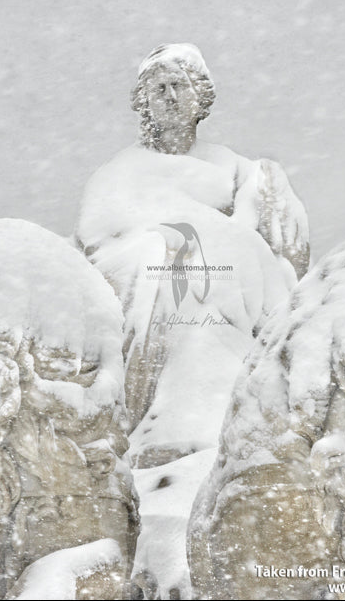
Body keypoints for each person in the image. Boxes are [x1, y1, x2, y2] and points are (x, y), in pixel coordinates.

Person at [75, 43, 310, 468]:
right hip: (145, 275)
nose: (168, 95)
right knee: (171, 262)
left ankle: (210, 406)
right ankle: (172, 416)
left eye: (177, 85)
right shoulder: (116, 173)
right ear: (142, 102)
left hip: (226, 277)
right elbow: (98, 244)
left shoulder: (235, 168)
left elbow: (264, 238)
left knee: (203, 260)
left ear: (199, 96)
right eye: (157, 87)